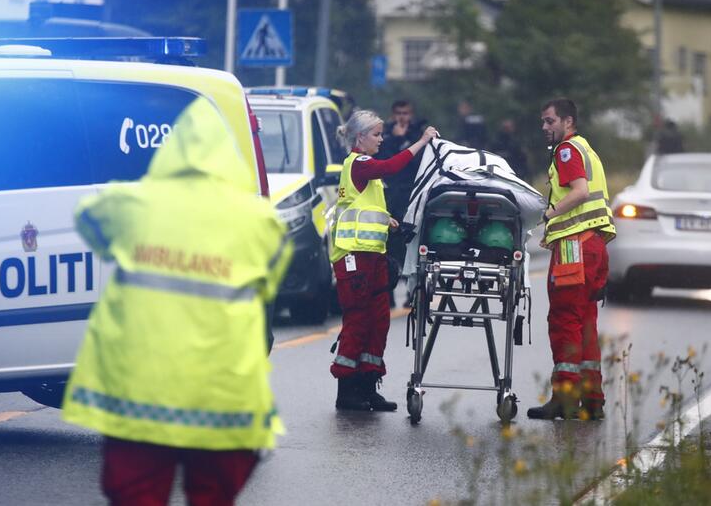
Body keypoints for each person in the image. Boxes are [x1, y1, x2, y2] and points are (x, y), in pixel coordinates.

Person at [61, 97, 292, 505]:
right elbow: (267, 284)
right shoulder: (261, 222)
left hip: (139, 394)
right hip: (223, 399)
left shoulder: (132, 204)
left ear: (172, 150)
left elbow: (88, 220)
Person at [331, 109, 439, 411]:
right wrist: (421, 142)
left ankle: (368, 385)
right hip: (355, 258)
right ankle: (347, 390)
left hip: (372, 256)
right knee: (357, 322)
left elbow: (363, 209)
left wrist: (389, 221)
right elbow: (392, 166)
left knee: (378, 322)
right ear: (360, 137)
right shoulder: (361, 163)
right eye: (377, 135)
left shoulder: (364, 170)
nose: (381, 139)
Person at [528, 98, 616, 421]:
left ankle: (565, 398)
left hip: (574, 247)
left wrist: (548, 215)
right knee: (586, 322)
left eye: (550, 121)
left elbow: (578, 191)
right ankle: (592, 399)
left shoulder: (566, 151)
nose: (545, 128)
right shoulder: (587, 149)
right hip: (594, 246)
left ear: (567, 122)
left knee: (565, 320)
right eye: (543, 122)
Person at [378, 100, 427, 306]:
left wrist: (406, 139)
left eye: (405, 113)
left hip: (411, 195)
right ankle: (386, 293)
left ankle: (411, 292)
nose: (402, 117)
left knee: (412, 243)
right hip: (389, 195)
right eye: (398, 113)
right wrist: (395, 140)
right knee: (386, 245)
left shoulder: (418, 134)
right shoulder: (384, 134)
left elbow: (419, 162)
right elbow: (382, 161)